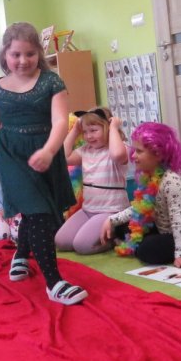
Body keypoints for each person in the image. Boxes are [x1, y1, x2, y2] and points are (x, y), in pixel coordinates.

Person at [0, 22, 86, 305]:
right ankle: (54, 284)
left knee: (39, 213)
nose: (23, 60)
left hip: (45, 153)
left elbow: (61, 121)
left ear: (38, 55)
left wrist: (49, 151)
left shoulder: (51, 82)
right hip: (12, 157)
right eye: (16, 54)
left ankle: (21, 253)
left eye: (30, 54)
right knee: (37, 213)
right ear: (5, 55)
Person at [101, 122, 181, 268]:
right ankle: (137, 245)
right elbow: (138, 209)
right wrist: (112, 220)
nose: (133, 155)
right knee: (122, 227)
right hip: (164, 230)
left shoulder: (172, 182)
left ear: (158, 155)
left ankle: (139, 248)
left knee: (148, 250)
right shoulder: (149, 176)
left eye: (139, 151)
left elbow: (179, 221)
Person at [54, 108, 130, 254]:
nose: (88, 136)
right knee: (61, 241)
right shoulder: (85, 150)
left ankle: (114, 237)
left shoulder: (118, 148)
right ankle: (99, 234)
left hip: (110, 211)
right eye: (85, 132)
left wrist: (114, 127)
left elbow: (117, 155)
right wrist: (75, 131)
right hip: (88, 209)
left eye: (94, 130)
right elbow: (63, 158)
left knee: (81, 245)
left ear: (107, 127)